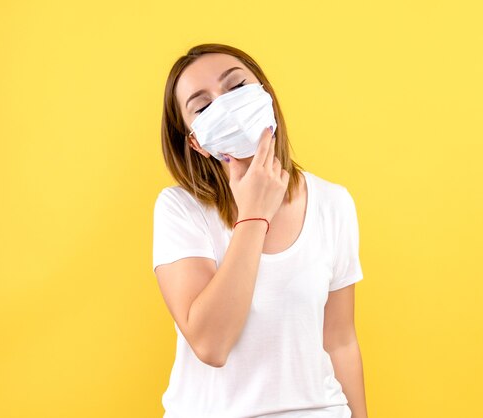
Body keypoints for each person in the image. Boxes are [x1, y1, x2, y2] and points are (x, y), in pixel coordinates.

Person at [152, 43, 368, 418]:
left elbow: (340, 341)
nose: (225, 106)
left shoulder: (333, 202)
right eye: (202, 107)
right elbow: (211, 344)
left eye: (235, 87)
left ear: (265, 94)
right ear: (197, 143)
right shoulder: (180, 210)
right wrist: (253, 215)